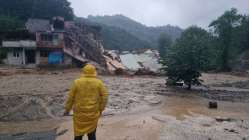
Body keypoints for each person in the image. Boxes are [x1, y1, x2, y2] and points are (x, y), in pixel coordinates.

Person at [64, 64, 108, 140]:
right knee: (92, 134)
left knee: (78, 134)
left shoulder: (77, 82)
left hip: (79, 114)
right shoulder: (98, 83)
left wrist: (67, 110)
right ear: (94, 71)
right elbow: (105, 96)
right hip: (93, 113)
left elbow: (70, 98)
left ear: (83, 71)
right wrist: (101, 109)